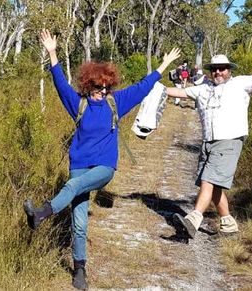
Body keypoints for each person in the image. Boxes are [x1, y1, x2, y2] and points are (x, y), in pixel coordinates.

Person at [25, 29, 180, 290]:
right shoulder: (79, 104)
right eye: (98, 87)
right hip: (79, 165)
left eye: (107, 86)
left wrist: (163, 64)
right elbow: (60, 82)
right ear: (88, 86)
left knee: (72, 187)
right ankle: (80, 271)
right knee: (79, 222)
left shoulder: (116, 102)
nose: (103, 90)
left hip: (104, 167)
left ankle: (42, 213)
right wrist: (52, 52)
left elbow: (143, 87)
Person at [165, 47, 252, 238]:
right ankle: (228, 223)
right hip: (208, 141)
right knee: (215, 183)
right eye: (215, 69)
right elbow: (179, 92)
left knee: (208, 179)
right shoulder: (203, 89)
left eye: (222, 68)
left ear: (229, 70)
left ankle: (194, 218)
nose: (218, 72)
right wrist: (152, 88)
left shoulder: (240, 84)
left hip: (229, 140)